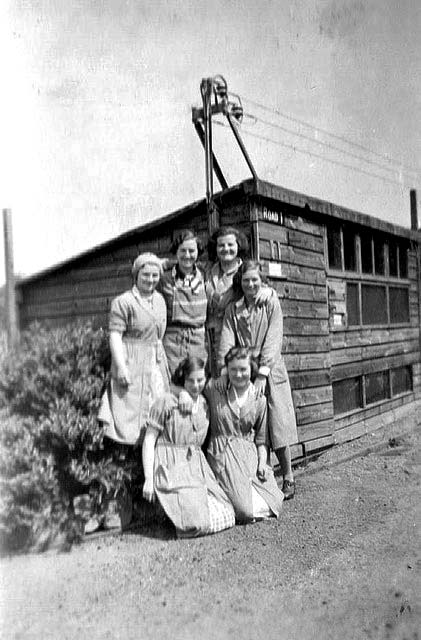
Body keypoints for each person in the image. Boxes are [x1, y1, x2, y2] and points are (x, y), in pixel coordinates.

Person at [217, 260, 298, 500]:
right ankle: (263, 476)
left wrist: (263, 372)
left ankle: (289, 476)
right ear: (240, 283)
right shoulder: (234, 309)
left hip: (270, 371)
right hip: (245, 370)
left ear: (262, 281)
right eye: (246, 280)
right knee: (254, 425)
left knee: (277, 423)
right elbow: (227, 339)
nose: (251, 284)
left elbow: (274, 337)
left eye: (255, 280)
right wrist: (225, 369)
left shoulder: (270, 302)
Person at [142, 356, 235, 538]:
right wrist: (148, 479)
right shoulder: (167, 402)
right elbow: (148, 440)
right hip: (171, 466)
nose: (195, 385)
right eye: (190, 380)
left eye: (200, 380)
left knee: (228, 513)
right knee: (195, 524)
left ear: (206, 379)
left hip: (195, 465)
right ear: (183, 379)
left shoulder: (204, 405)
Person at [98, 252, 170, 445]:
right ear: (136, 275)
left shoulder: (160, 300)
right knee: (129, 411)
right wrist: (121, 366)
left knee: (155, 408)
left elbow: (159, 334)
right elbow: (115, 335)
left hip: (154, 360)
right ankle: (129, 458)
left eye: (155, 275)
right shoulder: (124, 302)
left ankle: (150, 457)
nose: (150, 279)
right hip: (131, 360)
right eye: (145, 275)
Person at [206, 347, 284, 522]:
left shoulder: (259, 399)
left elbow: (262, 439)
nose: (238, 374)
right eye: (233, 369)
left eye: (243, 369)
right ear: (227, 370)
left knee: (275, 502)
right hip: (223, 454)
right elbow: (193, 390)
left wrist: (262, 463)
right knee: (244, 509)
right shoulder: (215, 389)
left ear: (252, 370)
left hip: (250, 456)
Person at [205, 226, 272, 376]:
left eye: (230, 244)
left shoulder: (246, 270)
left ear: (238, 246)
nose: (225, 249)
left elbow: (264, 288)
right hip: (211, 339)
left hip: (236, 337)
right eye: (221, 245)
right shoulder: (209, 271)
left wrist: (268, 291)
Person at [158, 230, 208, 376]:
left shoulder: (205, 274)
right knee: (174, 381)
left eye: (192, 251)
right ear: (176, 252)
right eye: (183, 251)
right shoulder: (165, 278)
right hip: (173, 340)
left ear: (198, 252)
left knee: (197, 380)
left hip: (198, 338)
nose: (187, 255)